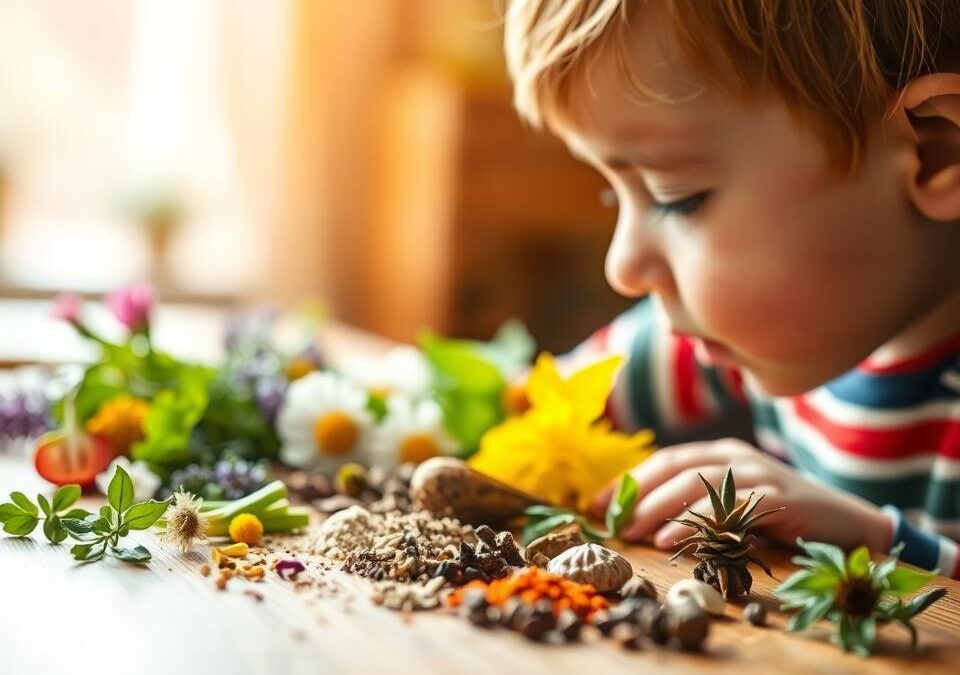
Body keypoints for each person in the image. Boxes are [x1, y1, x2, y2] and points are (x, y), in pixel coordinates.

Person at [504, 0, 960, 577]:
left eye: (677, 196)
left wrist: (872, 538)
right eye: (612, 194)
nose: (621, 265)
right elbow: (539, 398)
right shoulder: (742, 337)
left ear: (934, 150)